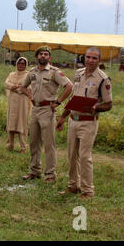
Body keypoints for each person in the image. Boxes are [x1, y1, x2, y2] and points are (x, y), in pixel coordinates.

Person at [56, 47, 112, 200]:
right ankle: (73, 185)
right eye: (88, 57)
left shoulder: (103, 79)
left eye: (94, 58)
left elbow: (109, 104)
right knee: (71, 155)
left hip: (88, 122)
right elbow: (73, 98)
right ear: (84, 58)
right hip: (73, 120)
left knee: (85, 157)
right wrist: (63, 117)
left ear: (99, 60)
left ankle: (88, 191)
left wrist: (96, 107)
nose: (90, 60)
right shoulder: (78, 74)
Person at [19, 46, 73, 183]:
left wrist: (59, 102)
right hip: (35, 110)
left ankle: (50, 175)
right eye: (41, 54)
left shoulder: (54, 72)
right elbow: (23, 86)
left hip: (47, 110)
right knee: (34, 142)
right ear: (37, 57)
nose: (43, 56)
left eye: (46, 54)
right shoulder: (32, 72)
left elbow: (69, 86)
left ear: (50, 57)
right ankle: (35, 171)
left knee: (49, 144)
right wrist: (30, 95)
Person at [4, 57, 32, 153]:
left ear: (26, 65)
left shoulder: (28, 75)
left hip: (23, 103)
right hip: (12, 102)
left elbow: (29, 88)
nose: (21, 65)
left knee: (22, 123)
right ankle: (10, 145)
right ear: (16, 64)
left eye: (23, 63)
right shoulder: (11, 74)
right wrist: (15, 86)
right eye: (19, 63)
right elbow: (6, 84)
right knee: (11, 122)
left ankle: (23, 147)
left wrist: (16, 88)